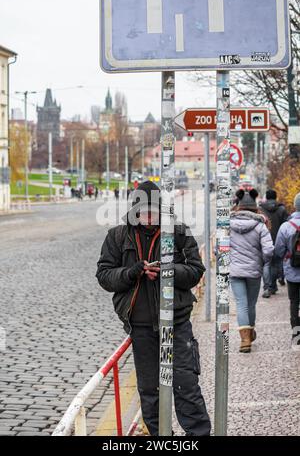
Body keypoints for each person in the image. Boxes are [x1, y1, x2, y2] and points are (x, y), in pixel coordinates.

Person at [96, 181, 211, 436]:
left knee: (185, 385)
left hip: (176, 325)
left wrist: (168, 272)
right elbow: (104, 276)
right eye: (144, 211)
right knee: (149, 391)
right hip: (141, 327)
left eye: (154, 211)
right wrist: (134, 271)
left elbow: (196, 271)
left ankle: (199, 436)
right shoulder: (117, 235)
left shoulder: (178, 232)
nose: (149, 217)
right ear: (134, 210)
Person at [230, 189, 274, 353]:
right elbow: (269, 250)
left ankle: (245, 340)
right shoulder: (260, 226)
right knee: (250, 304)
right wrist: (263, 262)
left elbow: (218, 250)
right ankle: (250, 332)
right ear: (255, 207)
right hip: (254, 272)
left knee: (241, 304)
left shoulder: (228, 225)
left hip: (234, 271)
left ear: (239, 207)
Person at [275, 193, 300, 350]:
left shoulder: (286, 226)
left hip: (292, 271)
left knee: (294, 302)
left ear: (295, 206)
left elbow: (278, 250)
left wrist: (288, 256)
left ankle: (296, 335)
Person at [260, 190, 289, 297]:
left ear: (266, 197)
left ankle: (268, 287)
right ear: (276, 197)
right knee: (276, 263)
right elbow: (286, 226)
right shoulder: (282, 209)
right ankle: (275, 284)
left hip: (264, 241)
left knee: (266, 265)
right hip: (279, 241)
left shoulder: (261, 210)